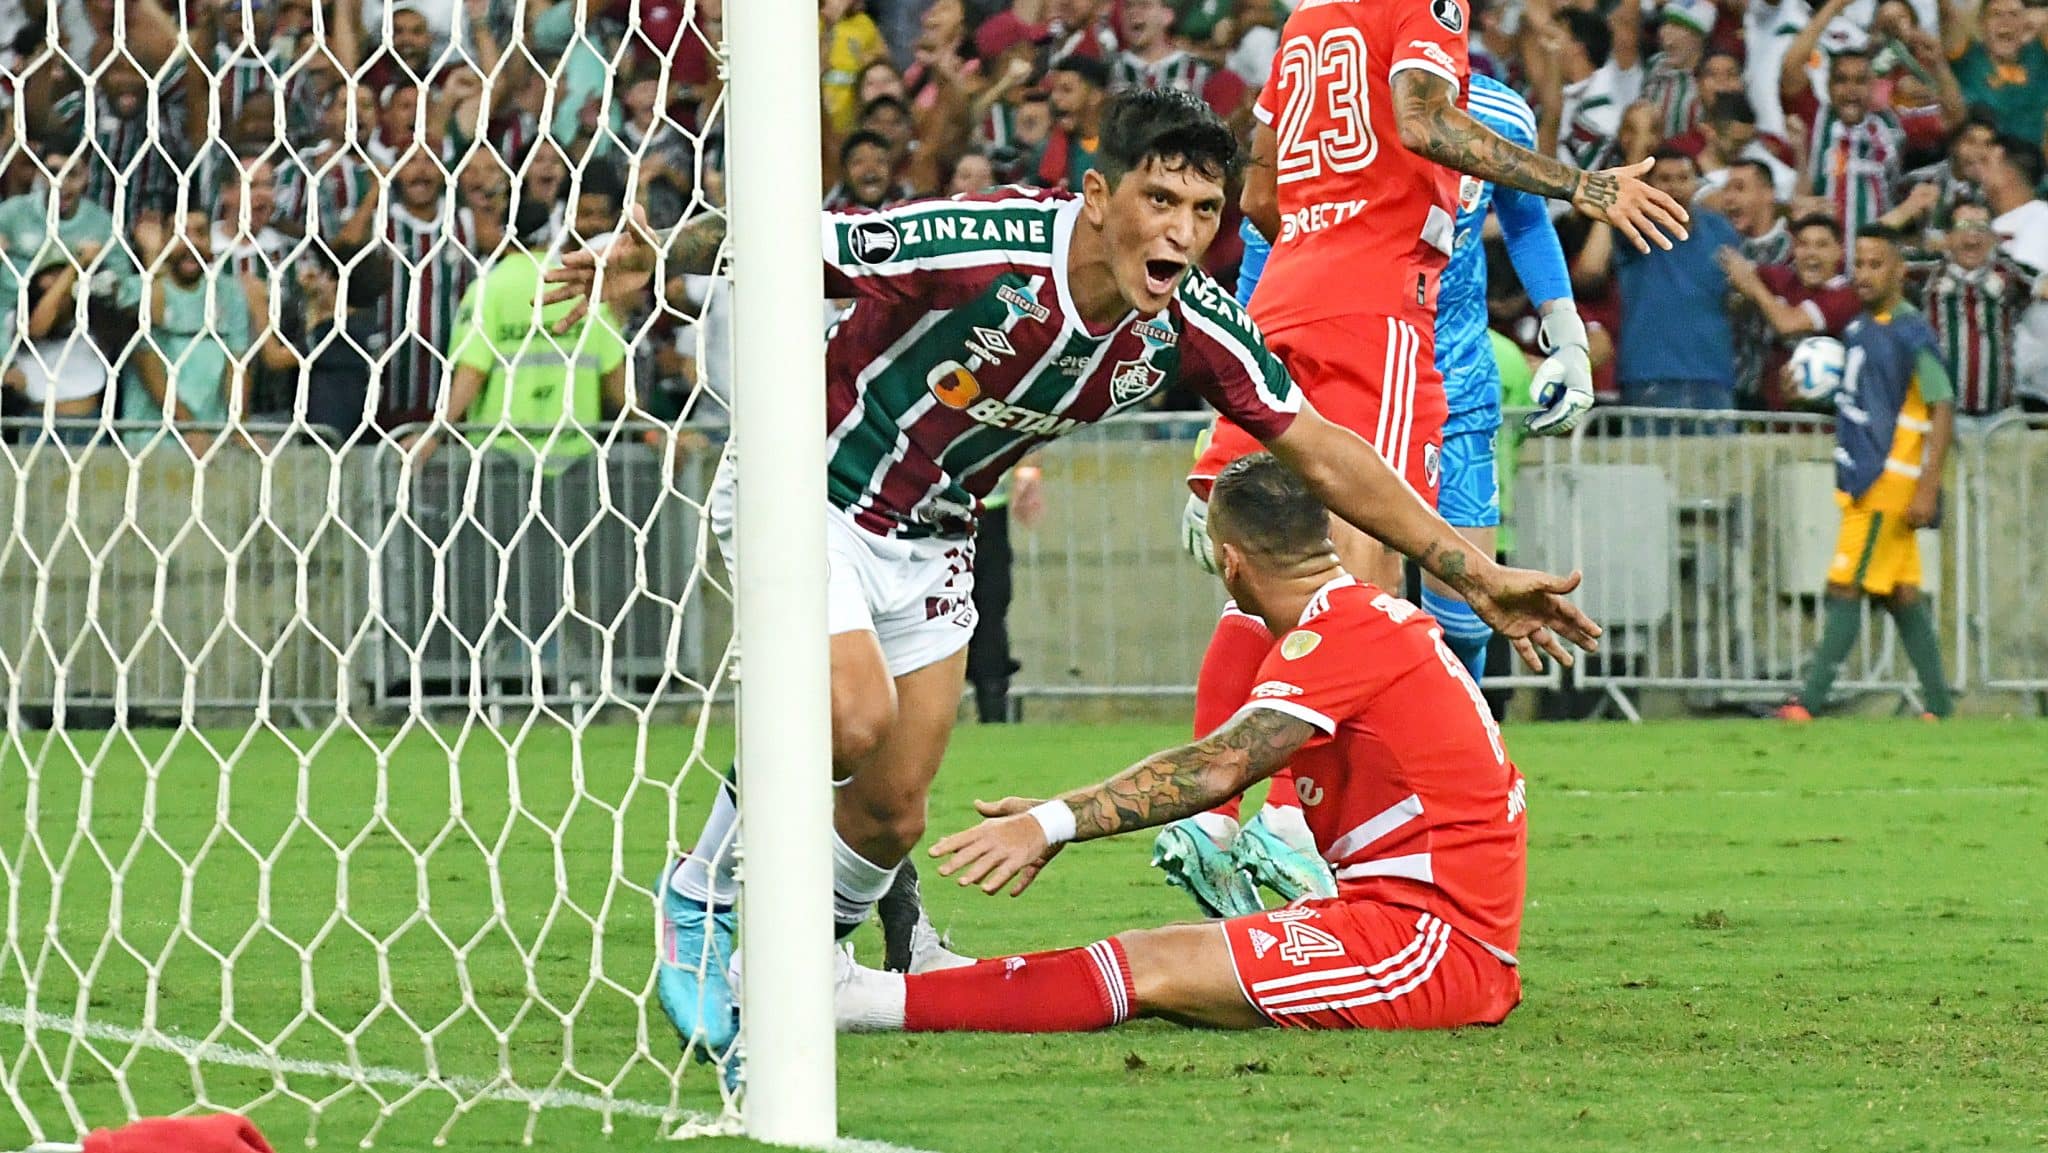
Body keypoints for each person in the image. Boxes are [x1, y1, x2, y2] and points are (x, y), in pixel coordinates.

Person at [546, 89, 1604, 1067]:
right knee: (850, 715)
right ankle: (706, 896)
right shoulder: (988, 243)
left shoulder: (1191, 328)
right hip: (809, 476)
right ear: (1097, 197)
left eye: (1201, 206)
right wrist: (650, 259)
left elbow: (1321, 449)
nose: (1181, 230)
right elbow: (795, 243)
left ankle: (798, 967)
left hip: (934, 527)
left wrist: (1468, 570)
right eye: (1157, 198)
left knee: (890, 813)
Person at [832, 453, 1528, 1036]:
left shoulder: (1338, 635)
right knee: (1159, 955)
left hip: (1430, 945)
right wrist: (1067, 807)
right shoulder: (1364, 618)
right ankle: (925, 983)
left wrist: (1055, 822)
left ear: (1228, 562)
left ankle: (866, 1002)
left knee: (1153, 964)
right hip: (1398, 921)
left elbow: (1218, 766)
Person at [1157, 74, 1593, 919]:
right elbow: (1260, 236)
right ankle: (1303, 820)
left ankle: (1401, 797)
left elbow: (1529, 217)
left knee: (1455, 616)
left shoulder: (1493, 109)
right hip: (1374, 354)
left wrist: (1565, 332)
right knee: (1344, 590)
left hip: (1457, 386)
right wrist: (1233, 412)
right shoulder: (1332, 97)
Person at [1777, 226, 1955, 721]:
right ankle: (1940, 707)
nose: (1865, 274)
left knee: (1845, 584)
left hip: (1888, 481)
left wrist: (1928, 485)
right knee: (1901, 595)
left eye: (1878, 264)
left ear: (1901, 270)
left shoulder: (1911, 331)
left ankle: (1808, 704)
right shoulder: (1858, 328)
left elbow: (1942, 405)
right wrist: (1808, 394)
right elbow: (1863, 400)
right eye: (1860, 264)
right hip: (1863, 475)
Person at [1589, 147, 1742, 416]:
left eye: (1683, 178)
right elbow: (1590, 271)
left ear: (1696, 182)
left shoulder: (1721, 230)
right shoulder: (1634, 224)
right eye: (1665, 179)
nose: (1675, 187)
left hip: (1713, 377)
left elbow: (1734, 299)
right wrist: (1609, 204)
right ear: (1649, 185)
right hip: (1649, 376)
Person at [1718, 213, 1862, 409]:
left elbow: (1787, 324)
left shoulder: (1845, 297)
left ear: (1839, 251)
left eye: (1822, 245)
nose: (1811, 253)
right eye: (1803, 244)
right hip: (1774, 415)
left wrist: (1753, 288)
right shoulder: (1783, 279)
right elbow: (1738, 272)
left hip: (1823, 421)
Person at [1909, 199, 2035, 416]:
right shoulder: (1928, 271)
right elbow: (1884, 261)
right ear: (1947, 236)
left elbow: (2041, 283)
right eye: (1964, 226)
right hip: (1943, 414)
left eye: (1981, 228)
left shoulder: (2009, 273)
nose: (1973, 236)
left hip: (2000, 414)